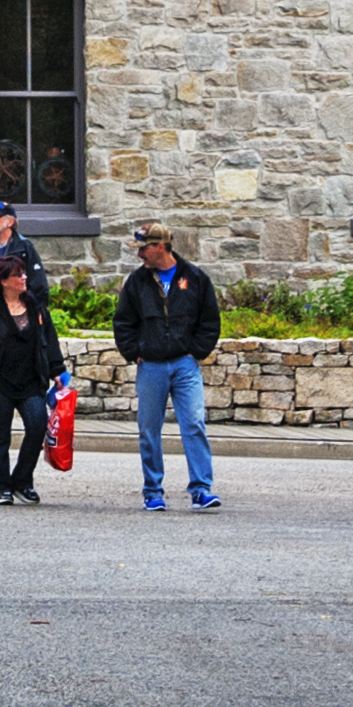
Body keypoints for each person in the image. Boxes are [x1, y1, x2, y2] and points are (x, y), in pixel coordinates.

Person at [0, 209, 66, 503]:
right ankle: (1, 486)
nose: (24, 277)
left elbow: (49, 341)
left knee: (37, 427)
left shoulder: (35, 308)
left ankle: (22, 481)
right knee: (0, 437)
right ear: (4, 280)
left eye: (25, 273)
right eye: (18, 275)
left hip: (30, 381)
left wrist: (58, 371)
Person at [114, 219, 221, 512]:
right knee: (149, 430)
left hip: (185, 366)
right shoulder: (136, 282)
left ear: (160, 247)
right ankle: (153, 491)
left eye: (144, 249)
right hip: (151, 367)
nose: (139, 255)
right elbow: (123, 322)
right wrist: (134, 352)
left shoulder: (195, 278)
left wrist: (195, 352)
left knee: (194, 424)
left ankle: (201, 490)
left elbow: (210, 321)